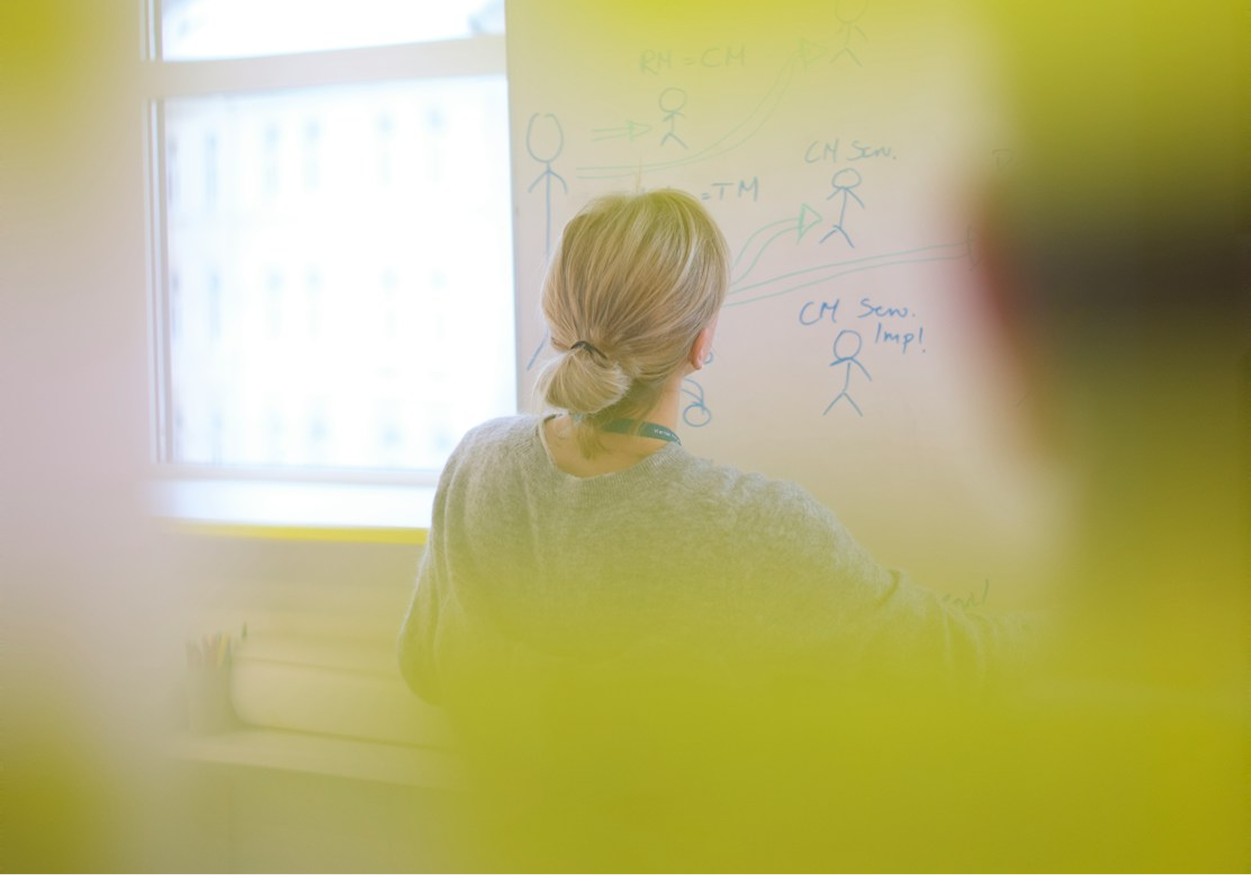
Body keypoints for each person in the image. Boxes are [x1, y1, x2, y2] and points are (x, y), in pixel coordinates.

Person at [397, 188, 1032, 874]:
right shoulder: (757, 529)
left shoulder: (474, 460)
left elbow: (424, 668)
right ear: (701, 343)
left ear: (558, 316)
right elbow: (951, 662)